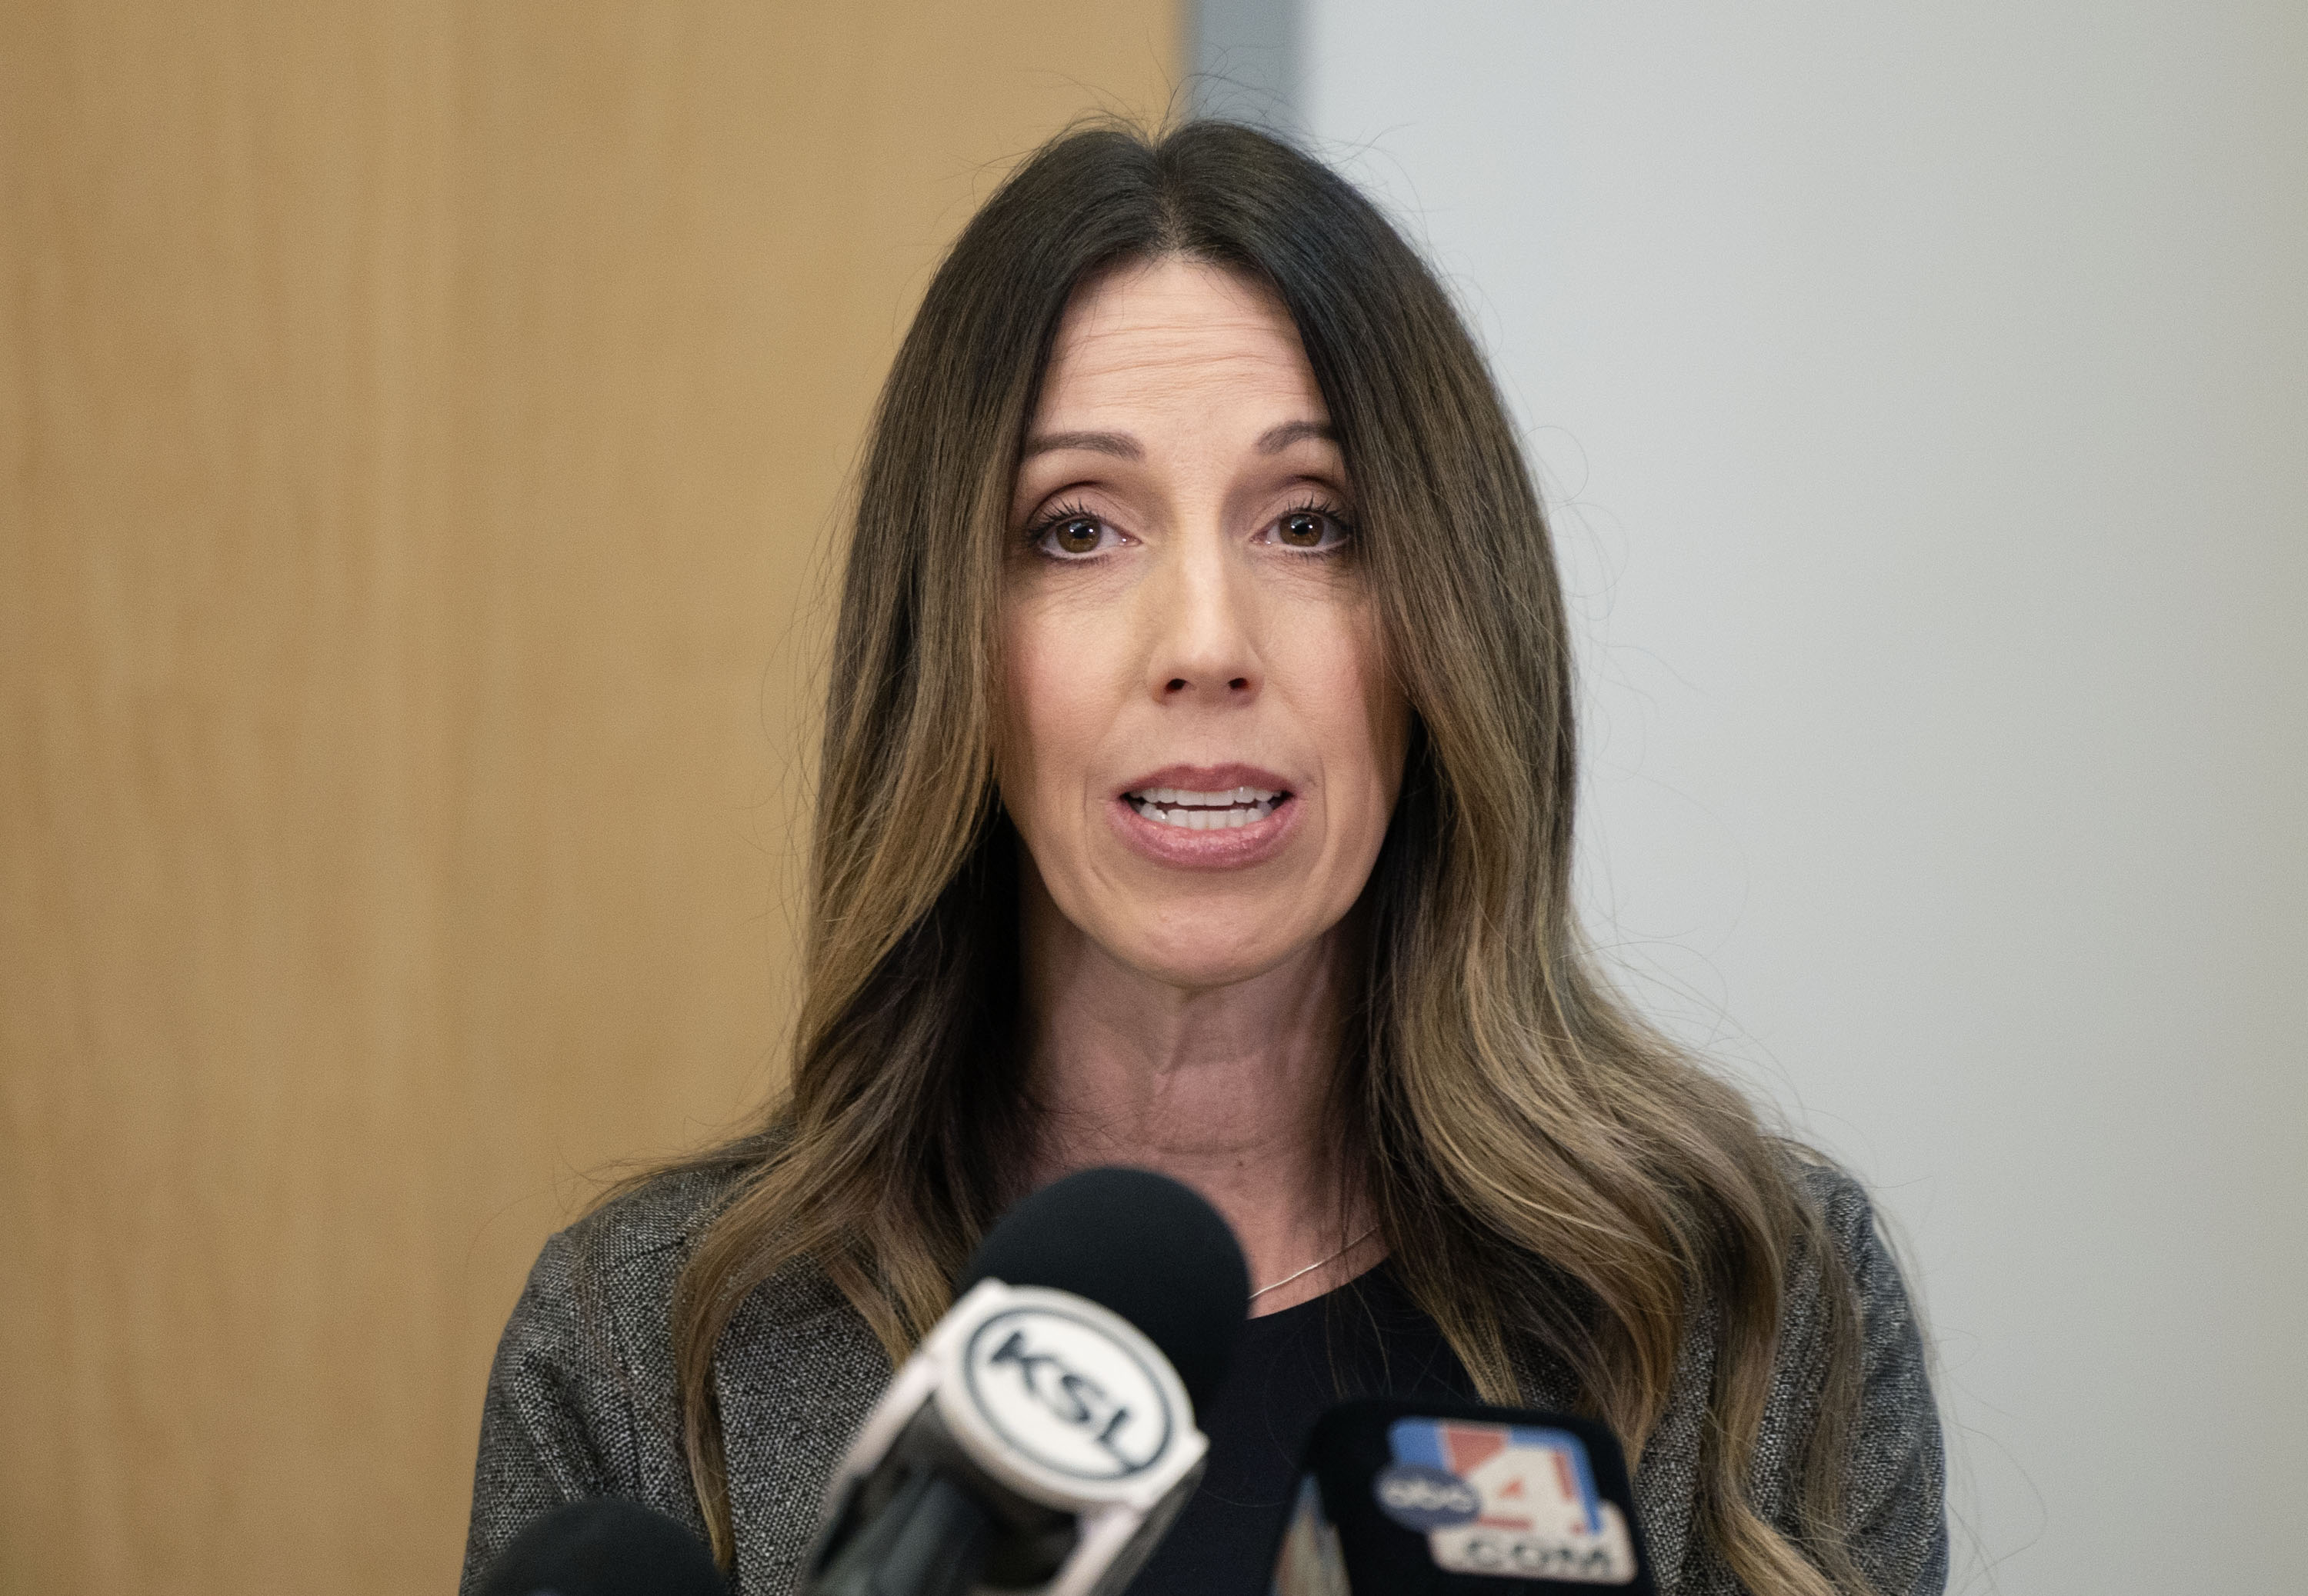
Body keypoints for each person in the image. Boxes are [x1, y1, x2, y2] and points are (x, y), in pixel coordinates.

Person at [459, 120, 1946, 1596]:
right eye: (1078, 530)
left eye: (1309, 523)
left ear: (1443, 630)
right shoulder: (644, 1347)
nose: (1207, 646)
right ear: (953, 651)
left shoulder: (1761, 1305)